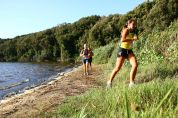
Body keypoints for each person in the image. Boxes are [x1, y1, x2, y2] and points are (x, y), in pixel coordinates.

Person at [107, 19, 139, 88]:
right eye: (133, 24)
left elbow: (136, 37)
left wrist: (136, 37)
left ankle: (131, 83)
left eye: (135, 24)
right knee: (117, 68)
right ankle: (109, 82)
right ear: (129, 24)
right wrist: (132, 39)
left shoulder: (133, 30)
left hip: (129, 50)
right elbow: (122, 40)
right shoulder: (126, 30)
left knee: (135, 65)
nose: (134, 26)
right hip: (122, 50)